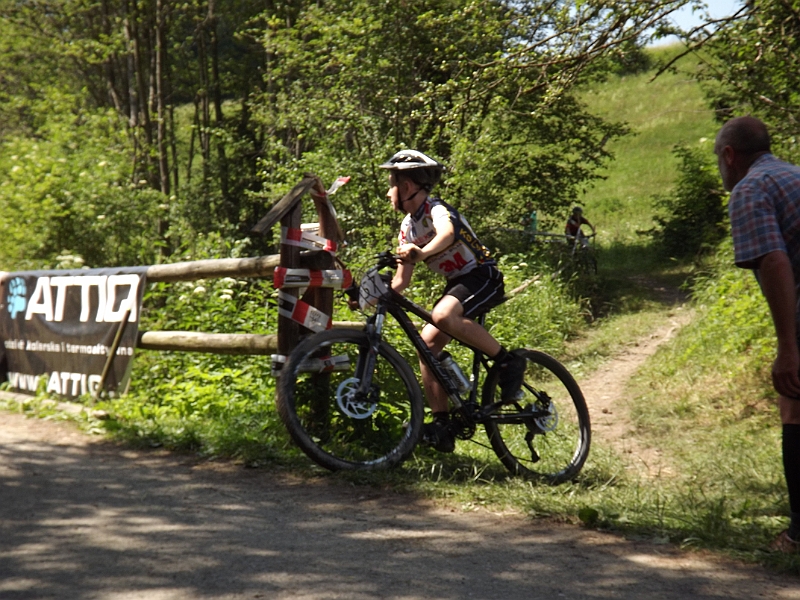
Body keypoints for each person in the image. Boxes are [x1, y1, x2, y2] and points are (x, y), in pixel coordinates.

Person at [379, 149, 526, 453]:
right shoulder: (407, 228)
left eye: (391, 185)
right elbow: (401, 282)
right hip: (458, 283)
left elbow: (446, 234)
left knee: (443, 316)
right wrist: (370, 297)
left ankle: (509, 362)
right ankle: (442, 423)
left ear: (406, 186)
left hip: (483, 275)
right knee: (426, 345)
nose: (388, 192)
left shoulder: (437, 209)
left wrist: (422, 252)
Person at [718, 116, 800, 553]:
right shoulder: (792, 175)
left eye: (719, 158)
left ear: (730, 155)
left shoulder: (750, 188)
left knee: (794, 406)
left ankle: (797, 537)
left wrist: (788, 348)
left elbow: (774, 261)